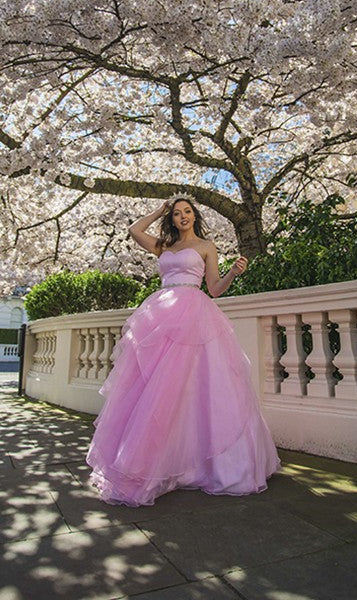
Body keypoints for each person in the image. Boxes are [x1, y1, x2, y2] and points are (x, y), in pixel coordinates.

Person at [86, 196, 280, 506]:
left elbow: (214, 288)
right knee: (158, 388)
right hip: (161, 313)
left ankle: (203, 465)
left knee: (194, 385)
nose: (182, 216)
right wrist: (159, 210)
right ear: (172, 219)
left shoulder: (206, 246)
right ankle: (156, 464)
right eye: (176, 213)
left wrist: (233, 272)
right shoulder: (163, 245)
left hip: (194, 314)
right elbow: (135, 230)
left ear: (195, 215)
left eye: (187, 211)